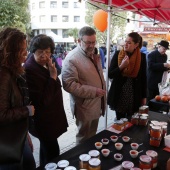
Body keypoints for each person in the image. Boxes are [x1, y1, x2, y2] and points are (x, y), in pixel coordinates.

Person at [24, 34, 68, 168]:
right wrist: (52, 77)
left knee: (46, 151)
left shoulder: (45, 63)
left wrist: (52, 70)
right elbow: (43, 101)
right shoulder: (30, 69)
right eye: (40, 52)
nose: (44, 56)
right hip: (44, 121)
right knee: (52, 152)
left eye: (47, 52)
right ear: (33, 51)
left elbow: (57, 71)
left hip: (51, 118)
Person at [62, 26, 106, 144]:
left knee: (92, 136)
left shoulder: (92, 54)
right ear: (79, 41)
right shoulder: (72, 58)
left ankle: (90, 159)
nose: (92, 45)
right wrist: (94, 91)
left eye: (93, 42)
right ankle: (81, 160)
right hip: (84, 106)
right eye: (88, 42)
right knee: (83, 138)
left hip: (95, 103)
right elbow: (69, 85)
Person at [0, 27, 35, 170]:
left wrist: (25, 134)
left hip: (17, 136)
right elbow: (1, 114)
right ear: (11, 51)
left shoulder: (11, 69)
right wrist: (27, 111)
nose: (26, 53)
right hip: (7, 143)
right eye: (22, 49)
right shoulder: (3, 74)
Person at [107, 32, 147, 120]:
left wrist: (144, 97)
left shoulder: (142, 57)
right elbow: (110, 74)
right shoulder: (118, 54)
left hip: (135, 94)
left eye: (129, 43)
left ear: (136, 45)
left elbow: (143, 78)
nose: (126, 44)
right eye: (125, 41)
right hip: (119, 93)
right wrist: (122, 66)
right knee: (120, 121)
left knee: (133, 120)